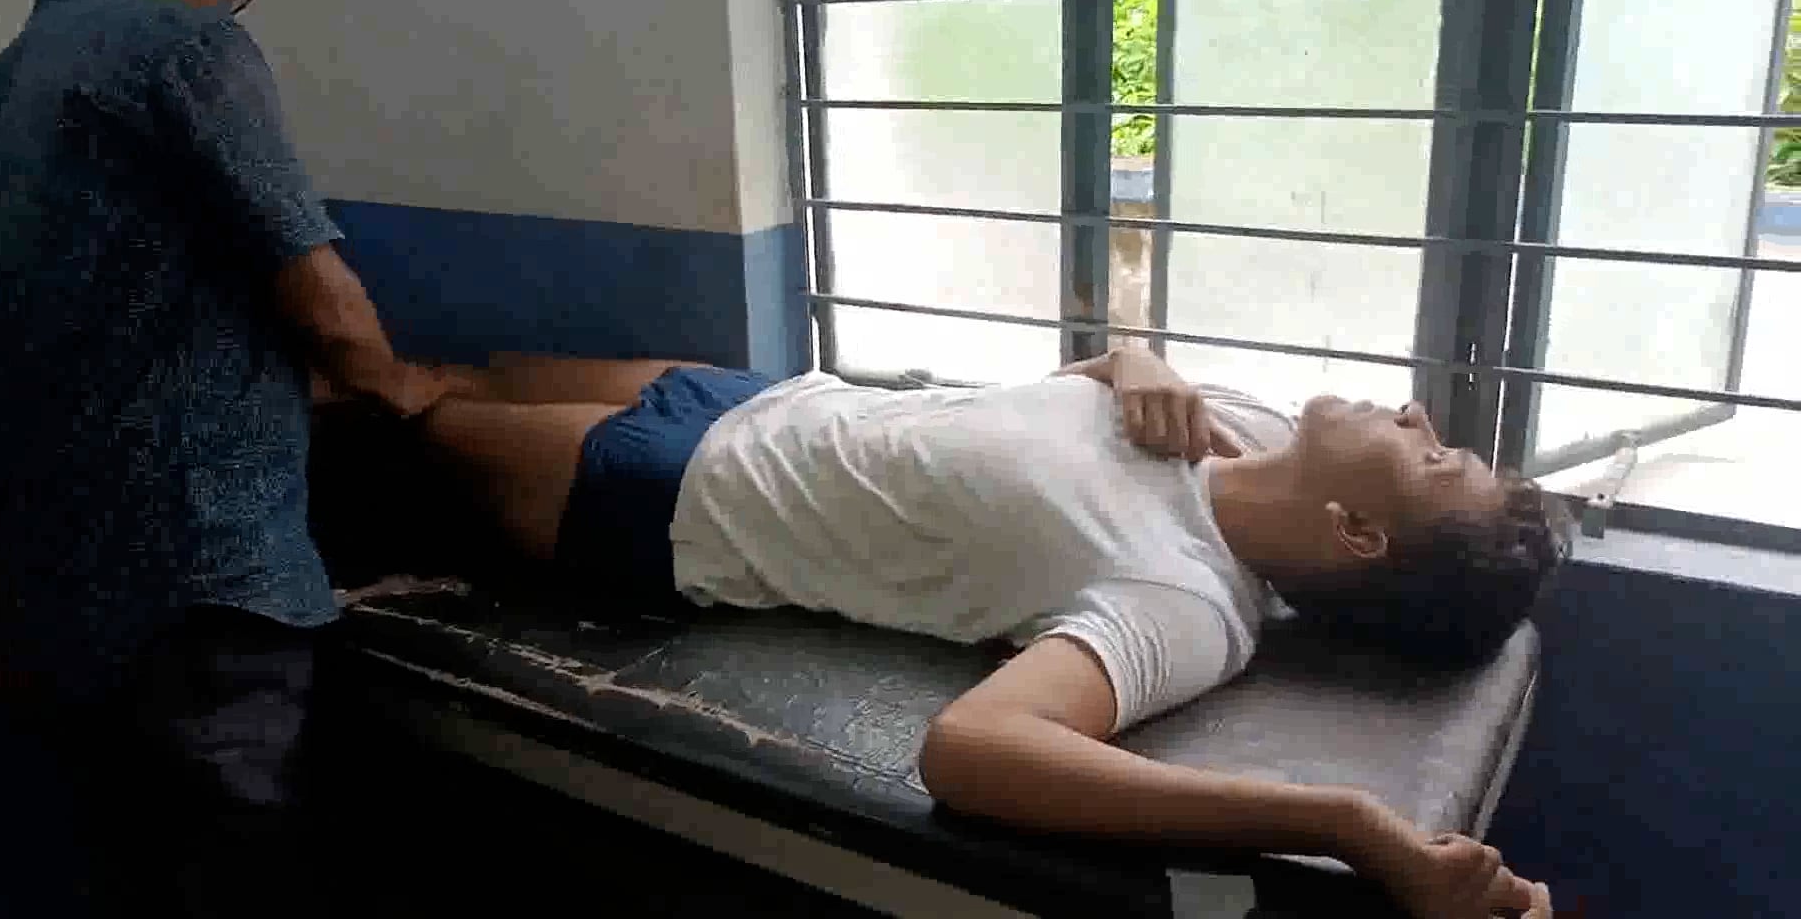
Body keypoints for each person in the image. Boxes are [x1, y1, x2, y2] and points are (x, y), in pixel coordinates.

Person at [395, 347, 1569, 919]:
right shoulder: (1244, 423)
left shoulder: (1183, 602)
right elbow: (1049, 403)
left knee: (401, 414)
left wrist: (1342, 823)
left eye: (1431, 455)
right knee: (451, 368)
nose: (1414, 412)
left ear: (1357, 532)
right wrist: (1129, 356)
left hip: (684, 496)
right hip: (773, 396)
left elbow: (975, 750)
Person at [0, 0, 461, 914]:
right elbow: (324, 301)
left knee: (129, 870)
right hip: (197, 589)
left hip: (45, 596)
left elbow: (94, 339)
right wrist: (402, 390)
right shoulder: (180, 45)